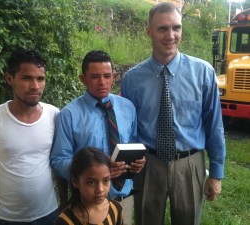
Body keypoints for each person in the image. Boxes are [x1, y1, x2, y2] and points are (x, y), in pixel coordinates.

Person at [121, 2, 226, 225]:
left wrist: (216, 173)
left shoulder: (203, 72)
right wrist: (128, 166)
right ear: (148, 31)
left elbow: (213, 125)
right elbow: (128, 129)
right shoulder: (132, 79)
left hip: (189, 164)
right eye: (162, 29)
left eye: (176, 28)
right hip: (147, 164)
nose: (171, 35)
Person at [50, 50, 146, 225]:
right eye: (94, 77)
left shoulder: (127, 108)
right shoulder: (69, 115)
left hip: (124, 199)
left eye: (107, 76)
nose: (102, 82)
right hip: (87, 205)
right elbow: (59, 161)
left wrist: (137, 161)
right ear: (82, 79)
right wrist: (97, 169)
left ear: (114, 77)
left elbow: (132, 143)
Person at [0, 48, 59, 225]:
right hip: (6, 218)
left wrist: (65, 205)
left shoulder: (54, 115)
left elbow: (60, 162)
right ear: (9, 79)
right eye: (27, 78)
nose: (35, 86)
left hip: (50, 215)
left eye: (40, 79)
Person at [55, 147, 123, 225]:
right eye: (91, 182)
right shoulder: (65, 221)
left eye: (106, 180)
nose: (100, 189)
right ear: (75, 181)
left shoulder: (116, 209)